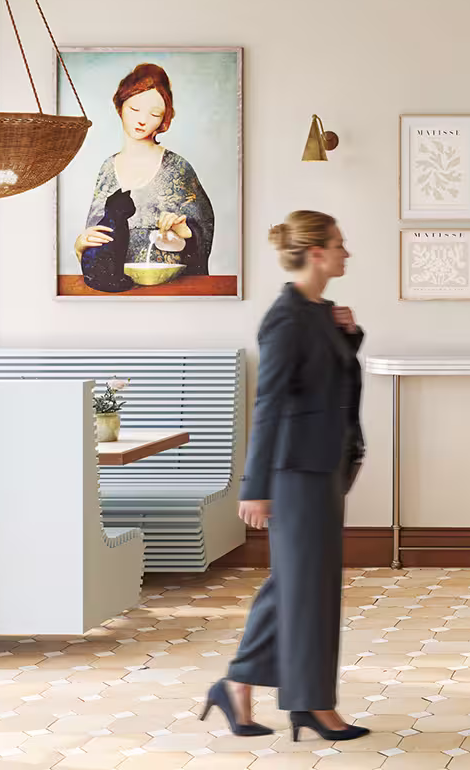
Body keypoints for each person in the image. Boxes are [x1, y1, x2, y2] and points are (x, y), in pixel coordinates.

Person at [200, 211, 369, 742]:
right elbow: (268, 402)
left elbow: (328, 381)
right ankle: (313, 705)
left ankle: (239, 687)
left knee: (296, 585)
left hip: (324, 467)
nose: (347, 253)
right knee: (309, 589)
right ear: (316, 253)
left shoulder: (319, 312)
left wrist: (350, 335)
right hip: (295, 471)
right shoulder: (287, 318)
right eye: (340, 245)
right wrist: (256, 486)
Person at [74, 63, 216, 290]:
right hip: (114, 290)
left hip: (168, 289)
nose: (142, 120)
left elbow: (202, 232)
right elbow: (95, 236)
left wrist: (185, 231)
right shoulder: (107, 169)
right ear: (120, 107)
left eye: (154, 114)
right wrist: (80, 245)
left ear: (164, 119)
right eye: (134, 109)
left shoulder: (178, 168)